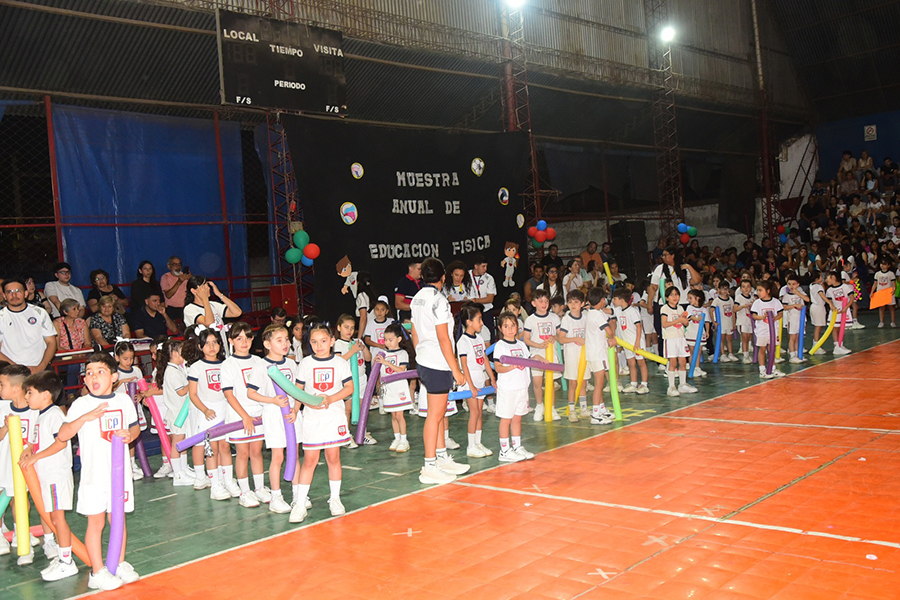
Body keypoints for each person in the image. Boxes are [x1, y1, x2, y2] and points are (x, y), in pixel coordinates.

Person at [57, 352, 140, 590]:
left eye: (101, 372)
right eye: (90, 373)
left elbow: (134, 431)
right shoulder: (81, 405)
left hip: (119, 475)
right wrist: (86, 417)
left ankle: (120, 562)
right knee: (96, 522)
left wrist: (128, 436)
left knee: (118, 519)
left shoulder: (124, 401)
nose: (94, 377)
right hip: (94, 476)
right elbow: (63, 436)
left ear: (114, 376)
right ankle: (97, 571)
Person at [410, 258, 468, 485]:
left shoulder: (416, 299)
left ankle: (442, 458)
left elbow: (414, 331)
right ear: (443, 277)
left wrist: (420, 354)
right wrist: (456, 370)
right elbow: (444, 338)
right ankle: (429, 466)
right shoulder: (440, 301)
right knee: (434, 416)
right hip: (438, 363)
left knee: (440, 412)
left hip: (426, 360)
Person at [289, 322, 354, 523]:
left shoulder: (340, 363)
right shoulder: (306, 364)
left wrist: (330, 399)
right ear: (309, 343)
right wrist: (294, 410)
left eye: (324, 341)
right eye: (315, 342)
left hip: (333, 416)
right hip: (312, 418)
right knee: (310, 460)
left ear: (332, 341)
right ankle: (300, 503)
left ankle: (335, 499)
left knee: (333, 457)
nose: (319, 345)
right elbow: (298, 391)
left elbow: (349, 388)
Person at [18, 371, 74, 580]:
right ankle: (60, 556)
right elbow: (38, 440)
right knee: (50, 515)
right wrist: (29, 449)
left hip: (56, 475)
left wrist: (35, 457)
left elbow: (60, 443)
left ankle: (66, 561)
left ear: (46, 395)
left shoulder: (54, 415)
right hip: (46, 474)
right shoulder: (41, 416)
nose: (26, 397)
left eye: (30, 393)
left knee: (58, 518)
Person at [246, 324, 299, 515]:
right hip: (274, 413)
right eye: (279, 340)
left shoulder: (292, 364)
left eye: (286, 339)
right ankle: (276, 496)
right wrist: (273, 400)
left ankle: (298, 495)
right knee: (278, 455)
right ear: (267, 344)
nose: (285, 343)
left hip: (292, 414)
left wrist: (295, 409)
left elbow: (298, 391)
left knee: (295, 452)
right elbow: (251, 393)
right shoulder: (261, 366)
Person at [183, 326, 233, 501]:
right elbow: (193, 394)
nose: (212, 347)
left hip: (225, 409)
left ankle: (228, 481)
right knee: (212, 449)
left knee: (225, 447)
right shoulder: (196, 367)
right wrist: (205, 410)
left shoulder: (226, 364)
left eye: (215, 342)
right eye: (207, 344)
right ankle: (215, 485)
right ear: (200, 347)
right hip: (208, 412)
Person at [220, 322, 266, 509]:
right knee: (243, 453)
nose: (244, 342)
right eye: (239, 338)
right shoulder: (228, 364)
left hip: (258, 414)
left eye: (247, 337)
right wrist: (245, 416)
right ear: (231, 341)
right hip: (239, 416)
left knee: (257, 452)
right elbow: (229, 394)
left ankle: (260, 488)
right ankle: (245, 492)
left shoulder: (258, 361)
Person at [0, 364, 39, 561]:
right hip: (4, 463)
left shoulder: (34, 409)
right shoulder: (2, 408)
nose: (0, 388)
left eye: (2, 384)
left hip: (24, 465)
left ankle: (20, 532)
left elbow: (36, 436)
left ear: (16, 388)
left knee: (21, 499)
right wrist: (6, 427)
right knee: (2, 496)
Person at [491, 311, 537, 462]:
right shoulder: (500, 346)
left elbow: (529, 360)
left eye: (513, 325)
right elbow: (498, 367)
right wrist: (511, 366)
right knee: (506, 419)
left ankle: (517, 447)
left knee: (517, 418)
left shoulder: (522, 345)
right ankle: (504, 450)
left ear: (518, 327)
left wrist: (539, 359)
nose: (510, 329)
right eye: (506, 326)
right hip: (508, 389)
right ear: (500, 328)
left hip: (522, 388)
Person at [454, 304, 495, 459]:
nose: (482, 322)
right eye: (479, 319)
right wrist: (470, 386)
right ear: (469, 322)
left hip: (479, 377)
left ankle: (478, 443)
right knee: (475, 412)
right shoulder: (463, 341)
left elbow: (484, 359)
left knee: (479, 414)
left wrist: (491, 378)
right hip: (469, 379)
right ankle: (471, 446)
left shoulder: (478, 338)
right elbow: (464, 365)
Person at [647, 246, 702, 358]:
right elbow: (653, 287)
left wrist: (689, 266)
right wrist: (649, 304)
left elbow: (697, 280)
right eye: (662, 255)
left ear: (672, 256)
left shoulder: (683, 268)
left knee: (683, 331)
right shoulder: (660, 268)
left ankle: (684, 358)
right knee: (664, 331)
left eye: (665, 255)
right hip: (665, 304)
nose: (663, 257)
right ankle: (664, 359)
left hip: (682, 303)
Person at [155, 339, 194, 487]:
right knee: (177, 443)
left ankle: (183, 469)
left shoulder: (177, 368)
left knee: (182, 442)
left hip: (181, 411)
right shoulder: (171, 372)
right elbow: (182, 391)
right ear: (175, 353)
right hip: (177, 413)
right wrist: (194, 382)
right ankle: (177, 474)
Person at [333, 314, 374, 447]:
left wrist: (363, 348)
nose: (349, 330)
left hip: (362, 378)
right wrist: (353, 351)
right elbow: (339, 361)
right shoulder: (337, 344)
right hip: (348, 380)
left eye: (352, 328)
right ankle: (346, 435)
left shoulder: (356, 342)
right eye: (346, 327)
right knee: (348, 408)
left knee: (362, 407)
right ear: (339, 328)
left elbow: (368, 359)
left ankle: (362, 433)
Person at [0, 278, 57, 372]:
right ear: (4, 296)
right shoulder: (1, 317)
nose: (14, 295)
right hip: (12, 372)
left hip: (40, 370)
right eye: (9, 292)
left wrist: (41, 367)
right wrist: (17, 369)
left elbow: (51, 342)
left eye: (18, 291)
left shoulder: (40, 313)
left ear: (25, 293)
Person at [375, 322, 416, 453]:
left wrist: (386, 362)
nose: (387, 343)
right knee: (393, 415)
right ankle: (396, 438)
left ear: (398, 339)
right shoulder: (383, 354)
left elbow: (401, 370)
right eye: (385, 340)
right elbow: (382, 372)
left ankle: (404, 440)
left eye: (390, 340)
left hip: (399, 387)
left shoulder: (402, 353)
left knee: (399, 415)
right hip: (389, 388)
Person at [523, 289, 561, 421]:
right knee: (538, 382)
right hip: (537, 354)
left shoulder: (554, 317)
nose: (544, 304)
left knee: (550, 382)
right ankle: (540, 406)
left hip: (551, 354)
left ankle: (552, 407)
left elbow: (560, 335)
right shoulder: (530, 320)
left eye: (546, 301)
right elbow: (526, 339)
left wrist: (554, 338)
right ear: (534, 303)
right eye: (540, 301)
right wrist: (539, 346)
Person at [183, 276, 242, 351]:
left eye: (208, 286)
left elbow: (237, 312)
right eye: (203, 286)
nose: (208, 288)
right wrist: (205, 299)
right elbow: (209, 323)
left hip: (222, 349)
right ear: (194, 291)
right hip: (205, 352)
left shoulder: (213, 305)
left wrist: (219, 294)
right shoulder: (189, 309)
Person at [584, 287, 615, 424]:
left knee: (599, 382)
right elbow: (609, 330)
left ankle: (601, 408)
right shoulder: (598, 314)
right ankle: (595, 414)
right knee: (599, 384)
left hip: (594, 352)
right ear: (602, 300)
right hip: (598, 353)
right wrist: (612, 337)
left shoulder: (591, 313)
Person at [558, 289, 589, 421]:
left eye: (576, 302)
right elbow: (561, 339)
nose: (573, 305)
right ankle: (572, 410)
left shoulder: (586, 317)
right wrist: (575, 339)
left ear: (582, 304)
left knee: (583, 382)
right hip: (571, 355)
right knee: (573, 383)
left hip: (584, 356)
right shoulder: (566, 319)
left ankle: (583, 408)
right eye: (570, 302)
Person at [660, 286, 696, 397]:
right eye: (671, 295)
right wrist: (678, 320)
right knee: (673, 362)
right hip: (670, 338)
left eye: (676, 294)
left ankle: (682, 384)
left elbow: (685, 323)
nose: (674, 297)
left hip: (681, 338)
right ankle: (671, 386)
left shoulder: (680, 308)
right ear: (667, 298)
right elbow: (664, 324)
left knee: (683, 361)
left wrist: (684, 320)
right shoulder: (665, 309)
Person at [611, 288, 648, 394]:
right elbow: (609, 311)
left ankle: (644, 384)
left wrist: (637, 342)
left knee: (641, 362)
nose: (613, 301)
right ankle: (633, 383)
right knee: (631, 363)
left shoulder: (633, 311)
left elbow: (639, 327)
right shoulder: (618, 310)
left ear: (622, 300)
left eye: (615, 299)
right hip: (626, 343)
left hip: (636, 342)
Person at [751, 280, 786, 378]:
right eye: (757, 290)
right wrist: (762, 317)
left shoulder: (775, 302)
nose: (758, 292)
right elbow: (754, 315)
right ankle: (762, 370)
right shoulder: (757, 303)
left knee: (772, 349)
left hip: (773, 329)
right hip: (762, 329)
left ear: (768, 291)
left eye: (760, 290)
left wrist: (775, 318)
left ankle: (772, 368)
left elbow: (780, 313)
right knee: (762, 348)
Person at [824, 270, 854, 355]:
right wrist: (833, 307)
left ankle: (841, 344)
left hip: (844, 309)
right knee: (835, 328)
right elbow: (830, 302)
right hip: (835, 312)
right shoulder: (829, 290)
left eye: (827, 278)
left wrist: (846, 307)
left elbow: (851, 298)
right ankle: (836, 345)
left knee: (842, 328)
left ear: (833, 277)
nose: (826, 280)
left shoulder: (845, 287)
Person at [781, 274, 809, 363]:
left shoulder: (801, 293)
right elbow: (784, 307)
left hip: (801, 318)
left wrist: (798, 293)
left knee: (798, 336)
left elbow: (807, 300)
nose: (791, 286)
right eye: (789, 284)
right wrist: (794, 305)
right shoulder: (786, 295)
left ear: (798, 285)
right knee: (792, 337)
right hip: (792, 318)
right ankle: (792, 355)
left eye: (794, 284)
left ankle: (798, 354)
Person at [469, 255, 497, 342]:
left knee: (489, 335)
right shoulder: (467, 276)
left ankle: (491, 355)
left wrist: (475, 301)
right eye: (483, 266)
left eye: (486, 266)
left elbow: (490, 299)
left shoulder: (489, 278)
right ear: (476, 266)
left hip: (486, 311)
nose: (485, 269)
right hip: (472, 311)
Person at [684, 289, 710, 378]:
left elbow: (707, 321)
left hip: (700, 332)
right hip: (691, 332)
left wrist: (707, 331)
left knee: (699, 351)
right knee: (692, 351)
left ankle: (697, 367)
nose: (689, 300)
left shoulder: (704, 309)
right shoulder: (689, 308)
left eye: (690, 298)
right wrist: (697, 319)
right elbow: (690, 316)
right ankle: (692, 367)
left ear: (697, 298)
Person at [160, 256, 191, 323]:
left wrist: (191, 279)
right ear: (169, 266)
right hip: (172, 309)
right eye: (175, 264)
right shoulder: (165, 277)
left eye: (179, 264)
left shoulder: (185, 276)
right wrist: (179, 282)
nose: (178, 267)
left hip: (185, 308)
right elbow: (168, 295)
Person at [711, 282, 737, 361]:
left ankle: (730, 353)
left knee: (729, 339)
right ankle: (723, 354)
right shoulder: (717, 300)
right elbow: (711, 310)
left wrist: (734, 322)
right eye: (723, 289)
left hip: (729, 322)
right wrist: (714, 321)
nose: (725, 291)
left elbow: (733, 311)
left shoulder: (730, 299)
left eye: (726, 289)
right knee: (721, 339)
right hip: (721, 323)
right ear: (718, 290)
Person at [874, 258, 897, 327]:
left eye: (884, 264)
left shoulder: (891, 274)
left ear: (888, 265)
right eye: (881, 264)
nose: (882, 266)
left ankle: (892, 322)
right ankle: (881, 322)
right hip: (880, 292)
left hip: (889, 292)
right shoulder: (877, 274)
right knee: (881, 308)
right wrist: (872, 292)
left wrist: (894, 289)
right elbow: (875, 283)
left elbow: (893, 283)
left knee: (891, 307)